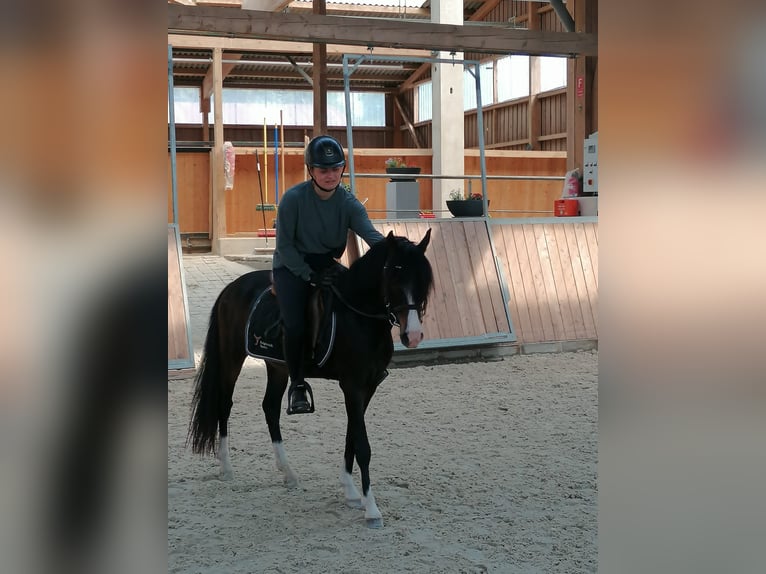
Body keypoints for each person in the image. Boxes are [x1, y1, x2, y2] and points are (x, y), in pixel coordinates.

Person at [272, 135, 385, 415]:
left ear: (342, 169)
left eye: (336, 169)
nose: (330, 175)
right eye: (323, 169)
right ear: (311, 170)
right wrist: (307, 275)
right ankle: (297, 385)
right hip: (290, 265)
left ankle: (367, 363)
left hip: (325, 263)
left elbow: (371, 236)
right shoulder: (293, 199)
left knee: (359, 303)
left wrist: (399, 251)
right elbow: (284, 246)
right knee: (295, 322)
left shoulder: (349, 203)